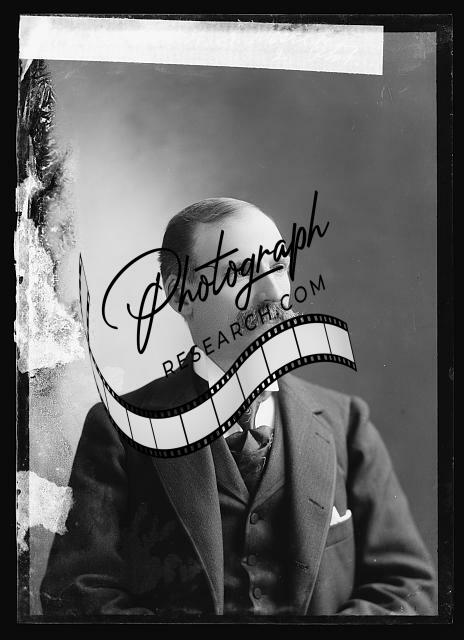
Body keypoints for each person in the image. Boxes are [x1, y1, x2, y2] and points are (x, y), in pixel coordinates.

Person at [41, 198, 437, 617]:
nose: (274, 293)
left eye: (279, 267)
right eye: (242, 272)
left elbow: (408, 586)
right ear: (179, 295)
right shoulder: (120, 428)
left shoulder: (347, 422)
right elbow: (77, 594)